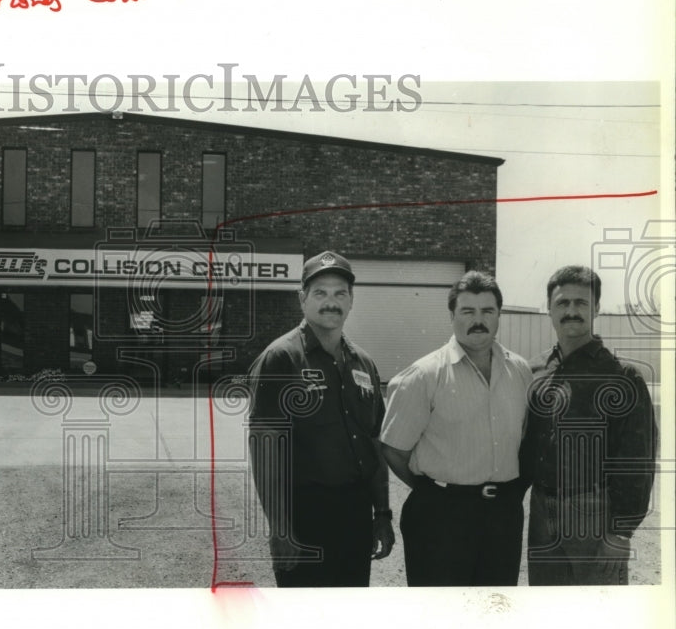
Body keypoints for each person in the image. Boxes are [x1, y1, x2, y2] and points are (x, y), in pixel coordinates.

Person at [247, 250, 394, 587]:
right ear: (303, 299)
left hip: (356, 514)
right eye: (321, 293)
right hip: (304, 517)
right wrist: (280, 529)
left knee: (349, 619)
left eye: (340, 293)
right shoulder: (280, 359)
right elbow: (265, 450)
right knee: (303, 624)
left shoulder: (363, 363)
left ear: (351, 300)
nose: (331, 302)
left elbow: (374, 444)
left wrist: (382, 514)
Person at [381, 271, 532, 586]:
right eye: (468, 311)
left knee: (493, 614)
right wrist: (434, 490)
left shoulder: (519, 371)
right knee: (441, 618)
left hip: (503, 516)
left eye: (487, 311)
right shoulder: (423, 376)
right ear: (452, 316)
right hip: (440, 518)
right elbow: (394, 450)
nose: (478, 320)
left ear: (499, 315)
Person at [520, 265, 657, 585]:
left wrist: (621, 533)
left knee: (600, 616)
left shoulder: (622, 376)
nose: (571, 311)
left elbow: (638, 460)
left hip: (595, 515)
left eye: (581, 303)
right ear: (549, 310)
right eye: (562, 303)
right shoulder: (534, 370)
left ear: (596, 308)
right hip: (542, 512)